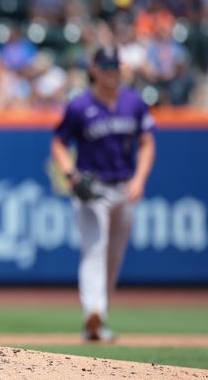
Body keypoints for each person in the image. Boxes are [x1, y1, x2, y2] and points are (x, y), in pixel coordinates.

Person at [50, 47, 156, 342]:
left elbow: (147, 143)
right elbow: (59, 144)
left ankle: (100, 316)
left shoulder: (134, 102)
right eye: (107, 65)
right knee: (95, 249)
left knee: (114, 256)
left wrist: (140, 179)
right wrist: (71, 175)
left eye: (116, 65)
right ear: (94, 69)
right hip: (92, 189)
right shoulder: (79, 106)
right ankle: (92, 314)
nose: (112, 71)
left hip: (124, 187)